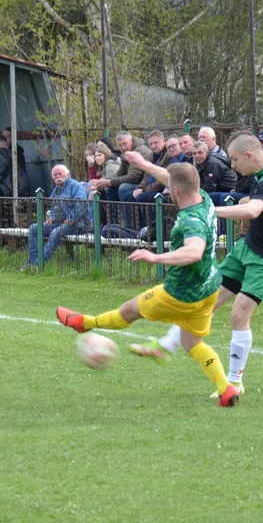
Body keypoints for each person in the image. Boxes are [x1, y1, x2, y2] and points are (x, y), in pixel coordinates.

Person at [142, 134, 263, 398]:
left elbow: (250, 211)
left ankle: (234, 382)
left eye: (234, 160)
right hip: (248, 246)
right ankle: (167, 344)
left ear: (248, 155)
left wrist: (206, 210)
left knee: (239, 313)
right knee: (206, 297)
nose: (232, 166)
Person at [56, 154, 241, 408]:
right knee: (192, 343)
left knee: (130, 310)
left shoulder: (191, 220)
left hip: (180, 293)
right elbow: (172, 178)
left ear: (175, 191)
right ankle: (225, 388)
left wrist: (156, 257)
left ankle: (85, 323)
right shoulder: (204, 199)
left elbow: (194, 251)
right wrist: (143, 164)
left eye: (169, 189)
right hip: (208, 288)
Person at [27, 164, 90, 267]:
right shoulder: (56, 189)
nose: (58, 176)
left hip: (77, 225)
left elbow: (81, 205)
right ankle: (32, 262)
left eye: (60, 174)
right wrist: (51, 216)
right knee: (34, 228)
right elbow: (52, 207)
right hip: (58, 223)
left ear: (67, 174)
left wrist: (71, 218)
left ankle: (41, 262)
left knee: (56, 233)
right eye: (55, 175)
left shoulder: (75, 186)